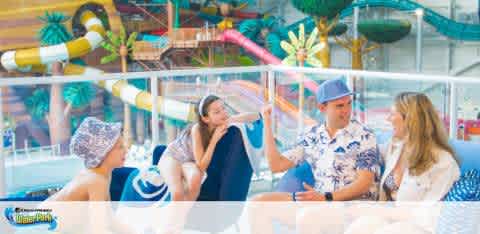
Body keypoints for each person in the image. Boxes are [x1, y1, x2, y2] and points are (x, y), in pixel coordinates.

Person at [248, 78, 381, 234]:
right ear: (322, 107)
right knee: (257, 204)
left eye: (348, 103)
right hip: (317, 201)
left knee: (308, 216)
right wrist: (267, 123)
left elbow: (364, 183)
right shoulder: (312, 135)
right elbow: (276, 165)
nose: (346, 110)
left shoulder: (364, 136)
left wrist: (327, 198)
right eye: (339, 106)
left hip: (351, 206)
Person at [344, 92, 460, 234]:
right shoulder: (396, 146)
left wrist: (379, 211)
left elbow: (427, 216)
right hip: (388, 220)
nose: (388, 119)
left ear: (410, 119)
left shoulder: (443, 163)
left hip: (418, 227)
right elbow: (364, 153)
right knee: (360, 227)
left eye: (393, 114)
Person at [39, 117, 137, 234]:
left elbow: (109, 219)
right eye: (120, 147)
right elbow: (99, 228)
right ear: (103, 153)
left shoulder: (103, 175)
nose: (126, 150)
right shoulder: (96, 181)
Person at [158, 94, 261, 201]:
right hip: (173, 157)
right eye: (217, 112)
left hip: (188, 162)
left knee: (195, 180)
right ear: (206, 118)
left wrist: (235, 118)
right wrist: (214, 140)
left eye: (223, 108)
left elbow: (254, 116)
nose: (223, 113)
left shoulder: (223, 122)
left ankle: (184, 215)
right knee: (177, 193)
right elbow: (201, 165)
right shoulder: (197, 129)